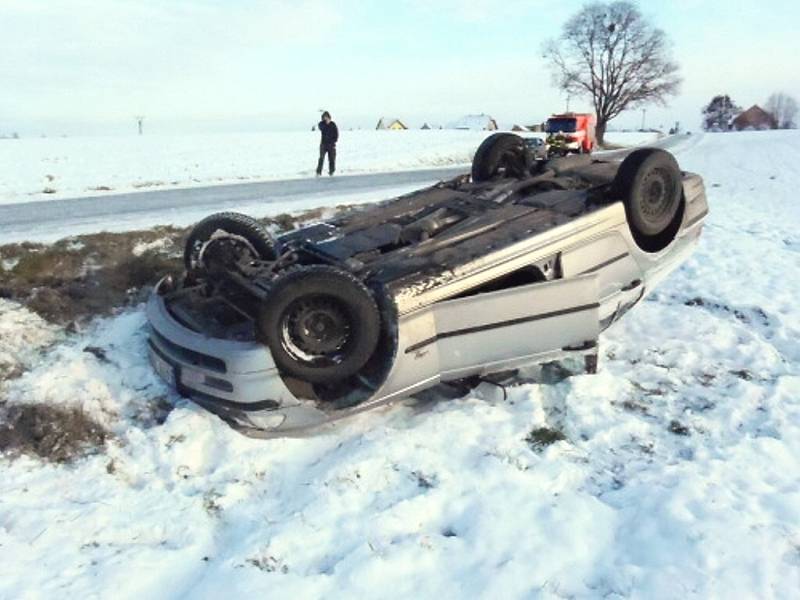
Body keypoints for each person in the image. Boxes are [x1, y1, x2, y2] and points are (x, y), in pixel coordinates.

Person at [316, 111, 339, 177]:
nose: (325, 118)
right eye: (324, 117)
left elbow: (336, 133)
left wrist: (334, 141)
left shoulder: (333, 124)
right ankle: (318, 172)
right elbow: (321, 127)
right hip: (323, 144)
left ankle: (331, 172)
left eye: (326, 117)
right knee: (321, 158)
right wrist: (325, 123)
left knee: (332, 158)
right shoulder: (321, 124)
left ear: (329, 117)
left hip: (331, 145)